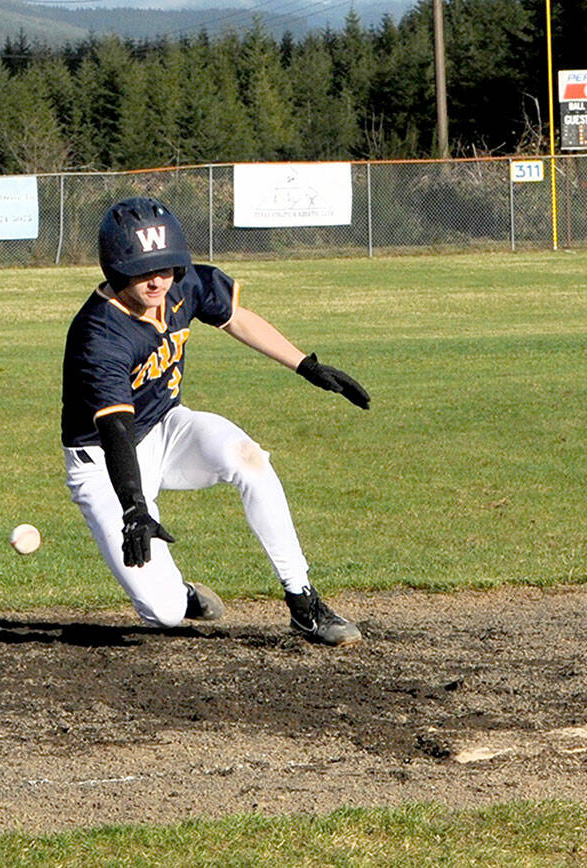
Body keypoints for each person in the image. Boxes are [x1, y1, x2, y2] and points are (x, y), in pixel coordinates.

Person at [61, 196, 369, 646]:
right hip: (105, 460)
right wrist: (134, 506)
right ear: (116, 268)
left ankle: (303, 602)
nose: (157, 279)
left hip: (168, 426)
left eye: (165, 267)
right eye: (143, 270)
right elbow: (115, 430)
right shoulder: (100, 334)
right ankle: (178, 594)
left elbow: (236, 318)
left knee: (250, 459)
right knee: (163, 614)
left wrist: (306, 366)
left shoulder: (182, 288)